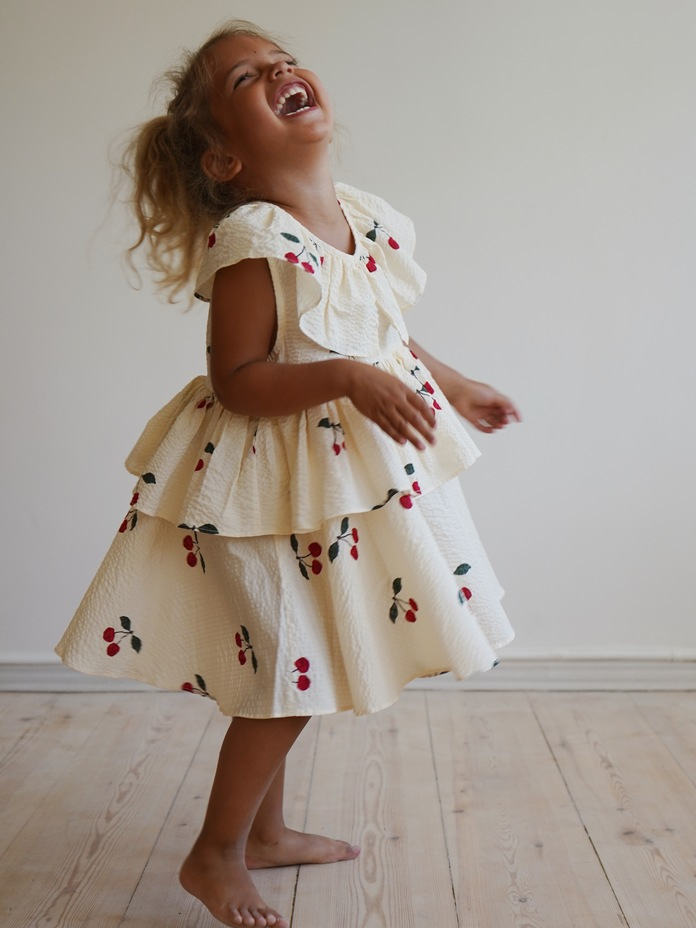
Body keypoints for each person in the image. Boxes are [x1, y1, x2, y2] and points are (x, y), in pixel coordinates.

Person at [55, 20, 520, 928]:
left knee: (284, 665)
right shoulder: (253, 241)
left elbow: (377, 327)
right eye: (246, 79)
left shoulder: (362, 218)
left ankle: (262, 836)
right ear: (224, 158)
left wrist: (454, 384)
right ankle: (214, 854)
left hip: (338, 486)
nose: (279, 72)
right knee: (291, 673)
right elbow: (238, 380)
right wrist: (346, 378)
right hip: (268, 490)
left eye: (282, 61)